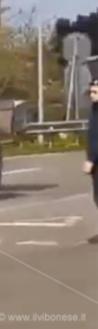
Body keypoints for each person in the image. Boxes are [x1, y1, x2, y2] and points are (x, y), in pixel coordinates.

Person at [83, 78, 98, 244]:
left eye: (95, 92)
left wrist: (91, 159)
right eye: (91, 92)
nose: (92, 95)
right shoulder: (94, 109)